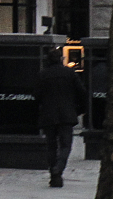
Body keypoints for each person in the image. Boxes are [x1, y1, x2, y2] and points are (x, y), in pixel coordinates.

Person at [33, 47, 87, 188]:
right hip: (66, 114)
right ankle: (59, 167)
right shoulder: (69, 73)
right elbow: (82, 92)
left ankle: (54, 174)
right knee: (65, 145)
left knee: (51, 145)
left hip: (49, 115)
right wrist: (80, 109)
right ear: (61, 59)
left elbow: (36, 96)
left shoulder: (43, 74)